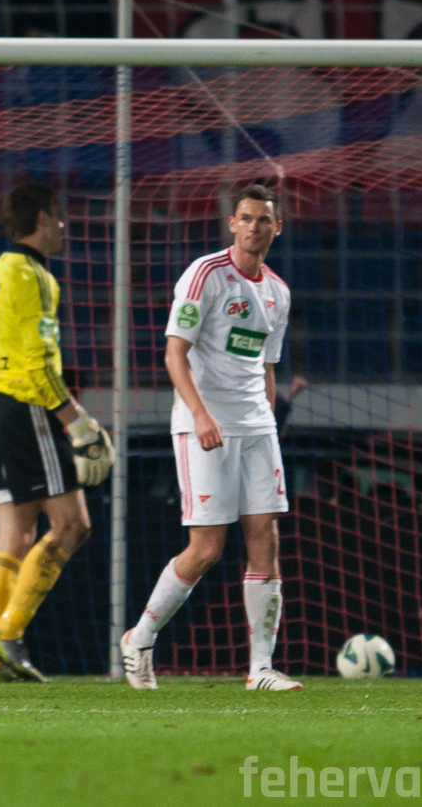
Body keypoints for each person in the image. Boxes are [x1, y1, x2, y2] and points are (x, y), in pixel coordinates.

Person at [120, 183, 298, 693]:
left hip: (256, 427)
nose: (254, 227)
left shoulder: (279, 293)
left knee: (266, 538)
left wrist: (269, 420)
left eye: (263, 219)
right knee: (206, 549)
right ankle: (140, 637)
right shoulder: (206, 274)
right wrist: (199, 415)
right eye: (246, 218)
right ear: (232, 223)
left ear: (276, 227)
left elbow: (266, 366)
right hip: (205, 425)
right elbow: (174, 353)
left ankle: (260, 668)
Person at [0, 181, 113, 683]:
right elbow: (38, 363)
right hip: (25, 407)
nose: (63, 226)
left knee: (14, 535)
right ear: (41, 219)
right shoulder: (35, 277)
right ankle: (7, 634)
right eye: (58, 216)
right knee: (73, 526)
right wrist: (78, 423)